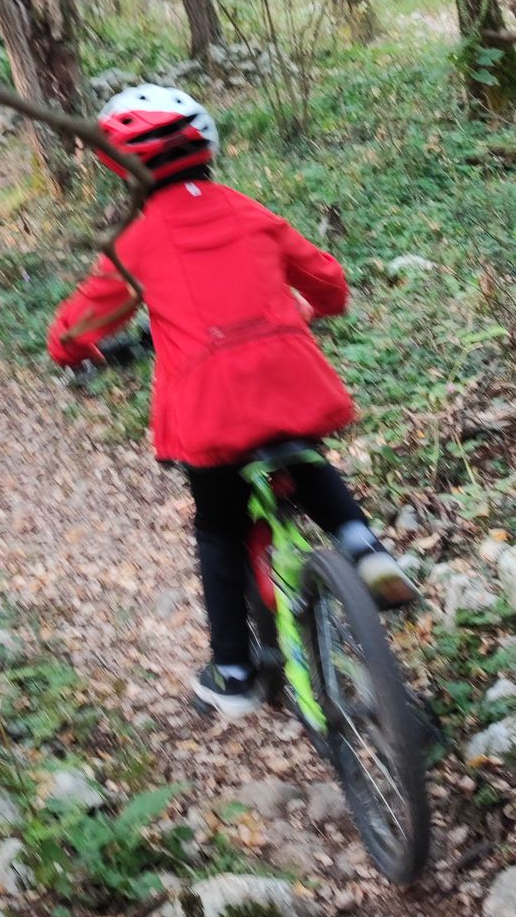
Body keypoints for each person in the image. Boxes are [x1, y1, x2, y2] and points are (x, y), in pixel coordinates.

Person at [48, 83, 414, 716]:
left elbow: (72, 332)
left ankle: (235, 670)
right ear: (206, 144)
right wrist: (311, 308)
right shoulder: (250, 212)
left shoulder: (136, 244)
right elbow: (328, 280)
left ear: (124, 169)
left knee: (217, 526)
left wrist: (82, 354)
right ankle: (364, 548)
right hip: (290, 381)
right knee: (305, 458)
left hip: (213, 411)